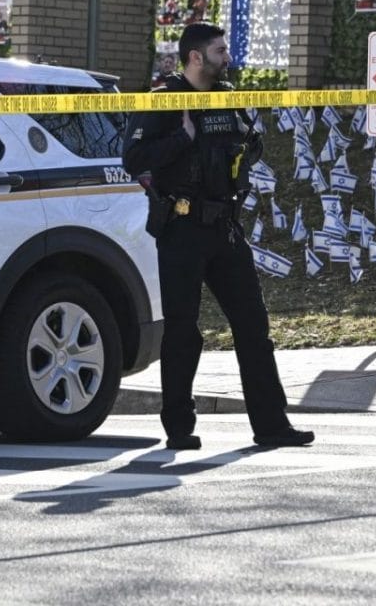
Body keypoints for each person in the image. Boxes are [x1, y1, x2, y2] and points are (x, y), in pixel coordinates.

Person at [123, 23, 313, 452]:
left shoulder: (226, 97)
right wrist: (181, 138)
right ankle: (178, 427)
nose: (227, 57)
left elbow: (252, 144)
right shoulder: (163, 101)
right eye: (220, 50)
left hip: (225, 228)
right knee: (183, 331)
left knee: (253, 327)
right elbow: (132, 158)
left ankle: (271, 425)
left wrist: (246, 148)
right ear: (195, 57)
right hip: (182, 228)